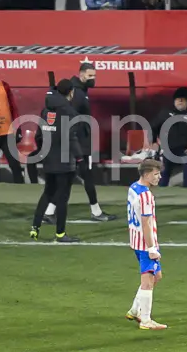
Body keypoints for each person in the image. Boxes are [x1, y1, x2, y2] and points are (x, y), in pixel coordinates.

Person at [44, 63, 117, 223]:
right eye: (90, 76)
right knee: (86, 177)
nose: (93, 79)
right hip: (78, 144)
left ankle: (49, 212)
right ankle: (96, 212)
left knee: (69, 179)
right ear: (82, 74)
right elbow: (72, 117)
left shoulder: (79, 91)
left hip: (74, 142)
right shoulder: (76, 93)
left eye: (94, 76)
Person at [29, 80, 84, 244]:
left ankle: (35, 228)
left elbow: (38, 135)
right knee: (62, 197)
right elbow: (71, 138)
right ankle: (60, 233)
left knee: (47, 192)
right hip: (64, 160)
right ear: (71, 92)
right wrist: (79, 157)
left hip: (49, 159)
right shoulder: (69, 113)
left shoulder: (46, 110)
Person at [125, 158, 168, 330]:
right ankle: (145, 320)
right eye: (156, 174)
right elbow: (146, 223)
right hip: (145, 244)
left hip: (136, 241)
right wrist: (151, 248)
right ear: (147, 174)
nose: (159, 177)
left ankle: (135, 310)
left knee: (156, 276)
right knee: (148, 281)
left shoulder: (133, 188)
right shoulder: (146, 195)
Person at [151, 86, 187, 187]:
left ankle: (186, 190)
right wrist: (153, 142)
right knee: (164, 172)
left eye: (183, 100)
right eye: (177, 99)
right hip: (168, 149)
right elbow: (153, 127)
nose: (180, 101)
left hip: (186, 150)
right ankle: (161, 191)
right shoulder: (165, 113)